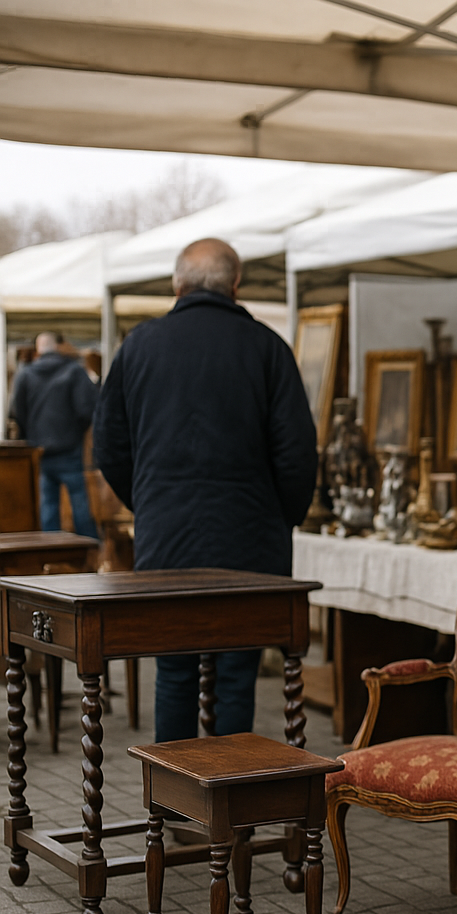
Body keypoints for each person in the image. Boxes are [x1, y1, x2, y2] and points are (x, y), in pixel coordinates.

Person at [94, 238, 317, 742]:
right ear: (235, 285)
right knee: (237, 675)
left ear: (177, 285)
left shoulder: (139, 346)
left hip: (166, 539)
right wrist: (280, 516)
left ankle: (171, 789)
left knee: (174, 671)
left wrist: (151, 501)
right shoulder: (267, 347)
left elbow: (108, 446)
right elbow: (297, 453)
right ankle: (229, 791)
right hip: (250, 540)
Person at [9, 331, 99, 537]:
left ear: (38, 349)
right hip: (70, 448)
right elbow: (87, 409)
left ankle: (52, 551)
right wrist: (76, 433)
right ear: (58, 346)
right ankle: (89, 550)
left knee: (48, 506)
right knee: (80, 503)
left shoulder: (25, 375)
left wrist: (30, 435)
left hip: (40, 450)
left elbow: (17, 411)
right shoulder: (74, 371)